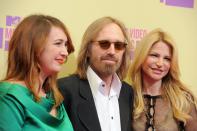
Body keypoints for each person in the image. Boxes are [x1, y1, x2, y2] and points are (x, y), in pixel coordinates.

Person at [58, 16, 134, 131]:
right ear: (88, 49)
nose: (112, 52)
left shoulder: (128, 92)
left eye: (119, 45)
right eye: (104, 44)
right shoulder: (63, 90)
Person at [0, 14, 75, 131]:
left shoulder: (53, 96)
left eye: (65, 45)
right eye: (58, 43)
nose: (65, 52)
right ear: (33, 47)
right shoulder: (8, 96)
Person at [129, 28, 197, 131]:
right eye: (154, 55)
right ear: (141, 56)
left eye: (167, 59)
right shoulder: (126, 96)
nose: (160, 64)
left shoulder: (183, 100)